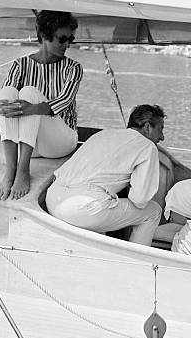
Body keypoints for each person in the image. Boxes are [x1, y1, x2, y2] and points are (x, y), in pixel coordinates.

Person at [0, 10, 82, 201]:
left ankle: (22, 172)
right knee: (7, 93)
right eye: (62, 38)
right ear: (44, 36)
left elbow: (64, 101)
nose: (67, 44)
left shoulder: (73, 68)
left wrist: (30, 108)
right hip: (29, 146)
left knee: (29, 93)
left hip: (60, 142)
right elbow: (1, 103)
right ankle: (11, 171)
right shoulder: (20, 64)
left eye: (70, 39)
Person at [45, 104, 166, 246]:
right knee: (153, 211)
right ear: (147, 127)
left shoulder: (104, 134)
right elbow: (140, 200)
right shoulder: (147, 146)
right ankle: (138, 263)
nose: (162, 137)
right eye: (160, 129)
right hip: (82, 209)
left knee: (103, 203)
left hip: (53, 200)